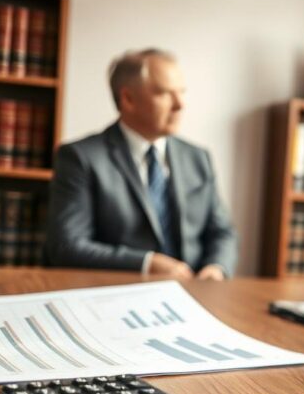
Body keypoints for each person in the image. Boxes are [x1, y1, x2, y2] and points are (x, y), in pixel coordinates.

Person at [46, 48, 237, 280]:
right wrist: (146, 264)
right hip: (114, 296)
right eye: (164, 93)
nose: (180, 104)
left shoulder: (198, 158)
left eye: (182, 92)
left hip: (193, 295)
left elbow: (222, 233)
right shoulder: (80, 157)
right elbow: (67, 246)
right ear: (128, 99)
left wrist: (216, 267)